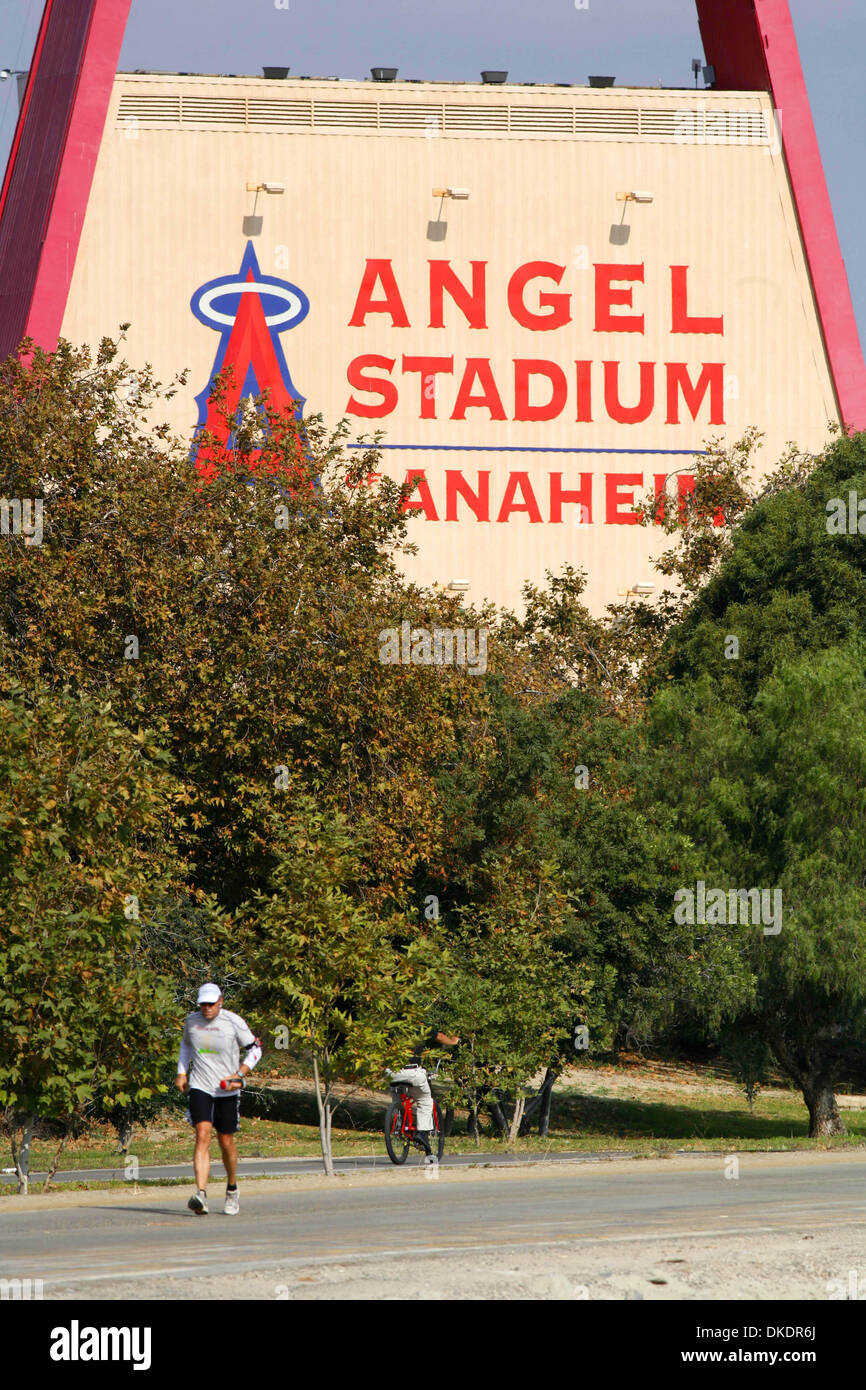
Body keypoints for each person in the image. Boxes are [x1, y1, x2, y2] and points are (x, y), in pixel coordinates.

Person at [176, 983, 262, 1215]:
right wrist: (182, 1072)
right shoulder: (191, 1022)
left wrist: (239, 1074)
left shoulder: (233, 1022)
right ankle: (201, 1194)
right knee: (202, 1134)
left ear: (220, 1001)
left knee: (225, 1141)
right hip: (201, 1086)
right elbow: (185, 1045)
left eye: (211, 1004)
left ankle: (232, 1188)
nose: (207, 1008)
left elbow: (255, 1050)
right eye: (203, 1004)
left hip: (227, 1089)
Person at [387, 1028, 459, 1157]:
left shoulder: (389, 1023)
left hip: (392, 1072)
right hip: (412, 1072)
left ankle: (398, 1123)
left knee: (397, 1100)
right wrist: (453, 1042)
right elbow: (440, 1037)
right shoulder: (418, 1024)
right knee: (425, 1101)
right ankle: (422, 1133)